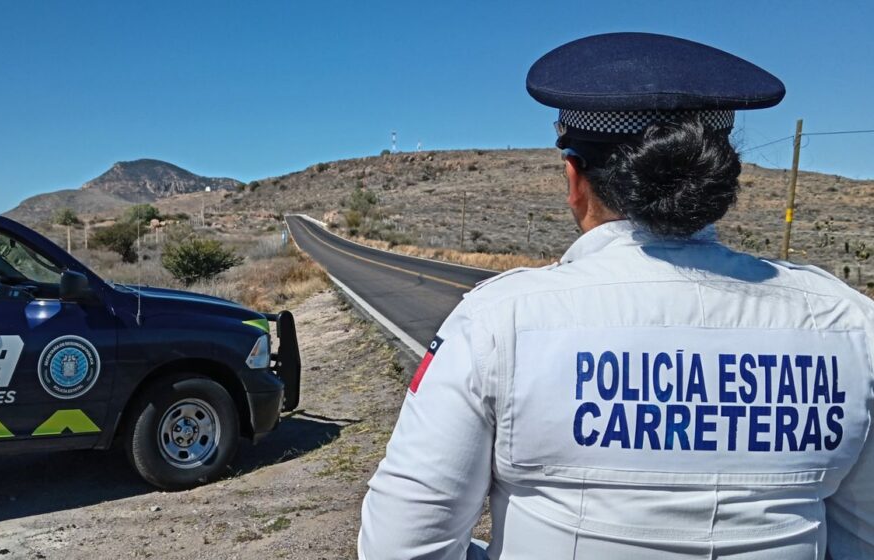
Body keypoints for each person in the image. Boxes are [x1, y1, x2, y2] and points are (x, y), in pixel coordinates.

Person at [358, 32, 874, 560]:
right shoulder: (850, 325)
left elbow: (402, 547)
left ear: (574, 178)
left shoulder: (499, 320)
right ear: (720, 181)